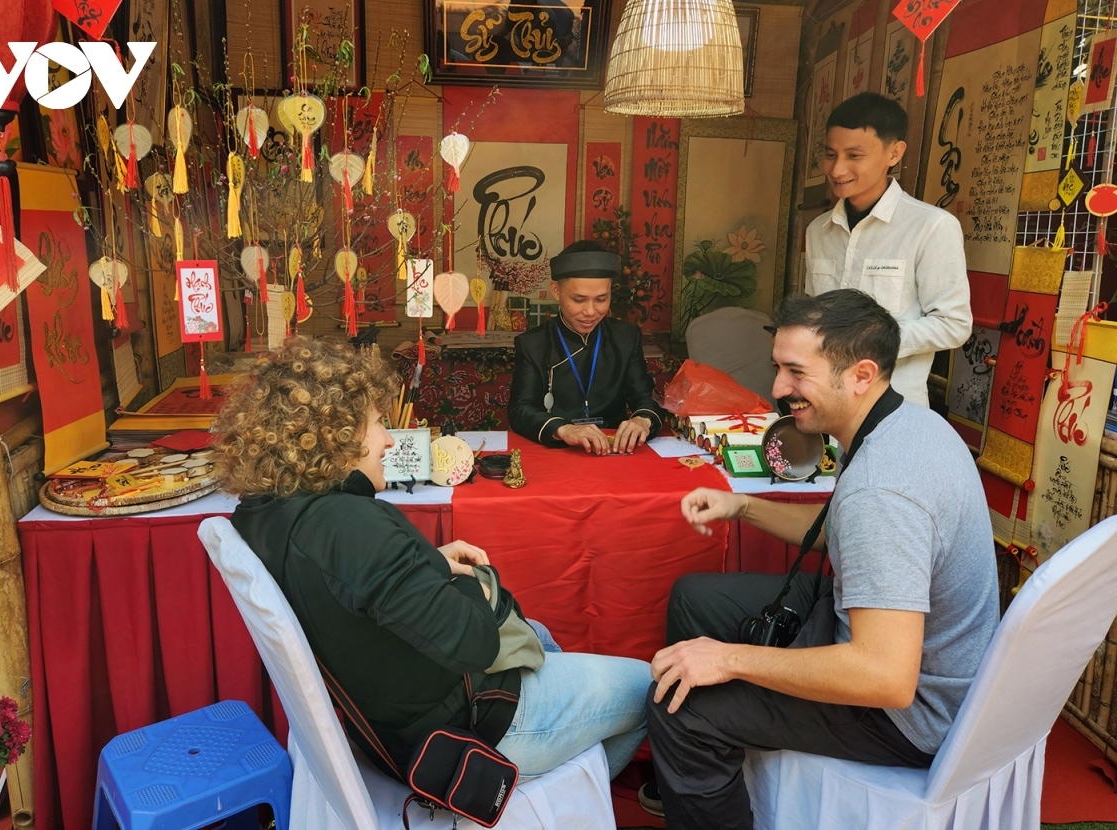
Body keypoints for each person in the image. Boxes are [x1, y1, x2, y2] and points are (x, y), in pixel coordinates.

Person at [214, 337, 650, 781]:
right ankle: (562, 795)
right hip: (460, 733)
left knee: (538, 635)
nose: (388, 440)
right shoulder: (349, 526)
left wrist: (426, 565)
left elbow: (344, 585)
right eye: (378, 422)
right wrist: (475, 581)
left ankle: (561, 774)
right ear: (334, 432)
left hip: (389, 717)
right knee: (652, 686)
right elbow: (476, 641)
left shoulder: (266, 511)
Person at [641, 290, 998, 828]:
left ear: (860, 374)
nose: (779, 388)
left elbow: (885, 677)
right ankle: (707, 774)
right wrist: (742, 506)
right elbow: (844, 534)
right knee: (696, 597)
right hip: (899, 644)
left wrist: (730, 659)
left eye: (795, 372)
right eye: (778, 368)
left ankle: (702, 761)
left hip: (911, 714)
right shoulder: (907, 423)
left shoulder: (884, 489)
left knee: (680, 710)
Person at [805, 91, 971, 407]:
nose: (837, 169)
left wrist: (872, 342)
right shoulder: (819, 231)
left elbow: (954, 325)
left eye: (854, 156)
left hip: (894, 407)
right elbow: (816, 317)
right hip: (827, 403)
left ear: (894, 153)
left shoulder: (931, 227)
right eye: (830, 154)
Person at [509, 239, 667, 454]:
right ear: (556, 290)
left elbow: (646, 398)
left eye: (601, 299)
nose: (591, 311)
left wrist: (643, 420)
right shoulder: (533, 344)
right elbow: (520, 409)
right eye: (579, 299)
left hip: (614, 451)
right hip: (558, 451)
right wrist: (563, 429)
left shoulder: (626, 337)